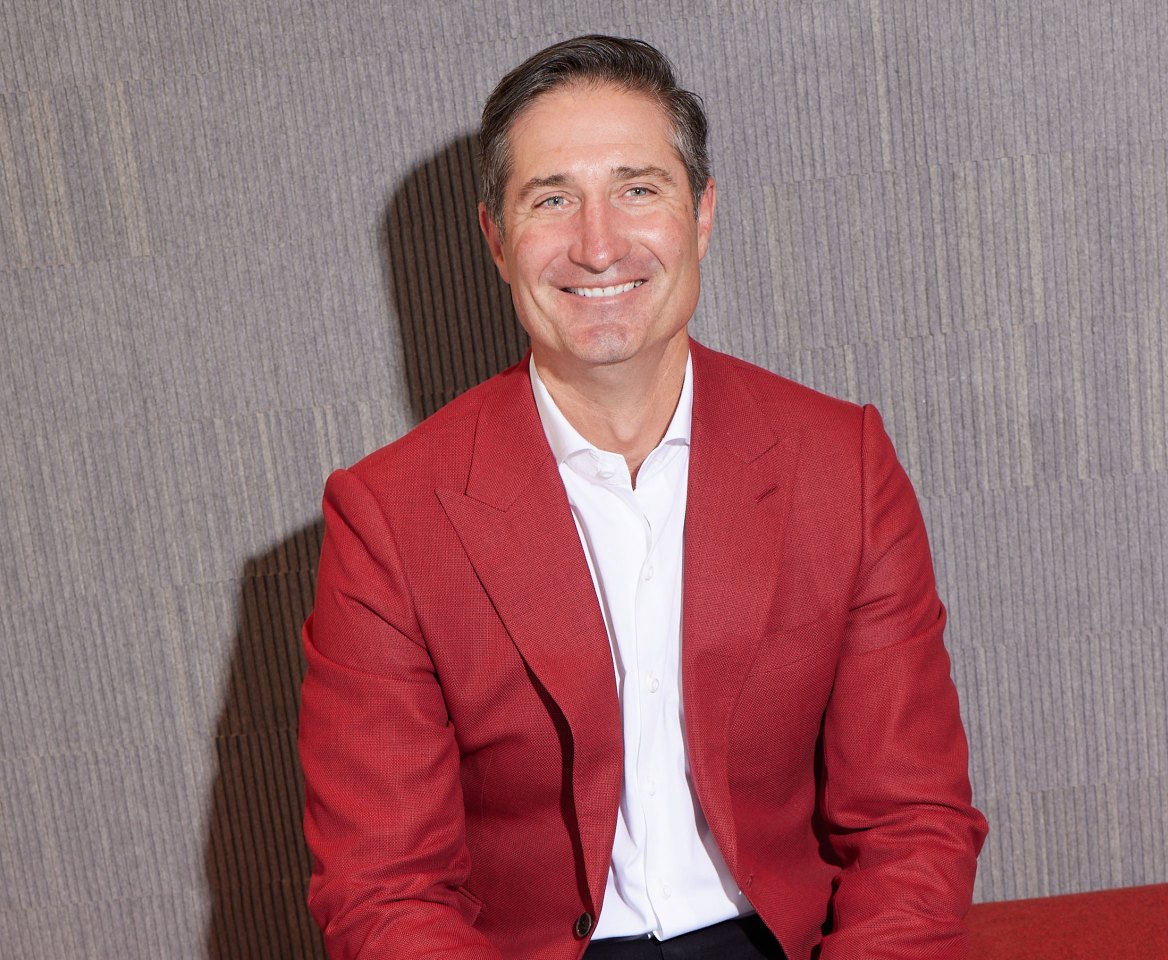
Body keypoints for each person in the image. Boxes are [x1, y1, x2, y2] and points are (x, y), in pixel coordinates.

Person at [299, 34, 987, 960]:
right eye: (552, 199)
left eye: (637, 189)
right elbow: (384, 889)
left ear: (701, 215)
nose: (598, 246)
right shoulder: (388, 518)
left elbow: (912, 822)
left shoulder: (842, 466)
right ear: (496, 240)